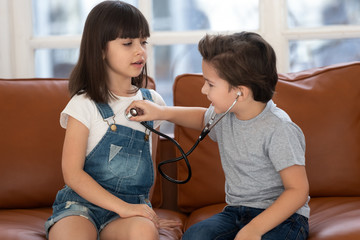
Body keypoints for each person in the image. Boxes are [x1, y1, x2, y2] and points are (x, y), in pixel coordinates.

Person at [127, 32, 310, 240]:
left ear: (240, 93)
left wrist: (255, 229)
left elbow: (297, 191)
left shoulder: (280, 129)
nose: (204, 89)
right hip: (236, 213)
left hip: (283, 218)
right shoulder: (225, 115)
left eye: (210, 84)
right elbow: (200, 118)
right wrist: (161, 112)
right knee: (196, 236)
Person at [44, 1, 180, 240]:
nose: (140, 51)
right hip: (79, 207)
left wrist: (144, 215)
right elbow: (72, 174)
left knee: (142, 232)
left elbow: (149, 170)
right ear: (100, 49)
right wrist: (124, 207)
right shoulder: (83, 104)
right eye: (128, 43)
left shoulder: (154, 102)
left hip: (129, 211)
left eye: (143, 42)